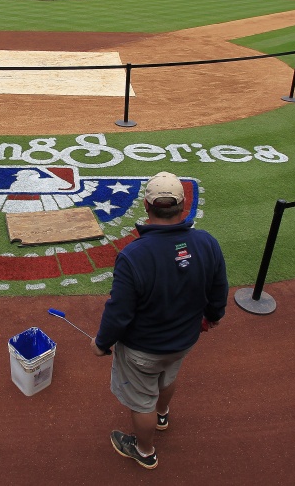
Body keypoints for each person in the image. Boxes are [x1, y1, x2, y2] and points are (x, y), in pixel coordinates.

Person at [92, 171, 229, 470]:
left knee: (142, 401)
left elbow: (119, 311)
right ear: (182, 205)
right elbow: (219, 290)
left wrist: (102, 343)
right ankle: (163, 413)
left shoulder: (134, 255)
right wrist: (214, 316)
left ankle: (144, 450)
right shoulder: (207, 242)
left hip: (143, 348)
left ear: (146, 205)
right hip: (184, 341)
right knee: (168, 375)